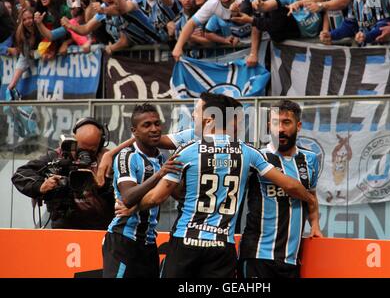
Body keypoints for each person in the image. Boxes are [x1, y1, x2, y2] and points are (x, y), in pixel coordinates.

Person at [136, 92, 318, 278]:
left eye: (198, 113)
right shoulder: (248, 153)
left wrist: (132, 206)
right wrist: (309, 199)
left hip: (186, 241)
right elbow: (291, 185)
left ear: (211, 119)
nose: (193, 117)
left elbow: (155, 198)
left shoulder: (188, 150)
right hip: (222, 246)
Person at [238, 100, 322, 278]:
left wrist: (314, 224)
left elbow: (312, 196)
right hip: (258, 254)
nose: (281, 129)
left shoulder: (310, 159)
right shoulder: (257, 157)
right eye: (276, 123)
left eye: (286, 122)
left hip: (291, 259)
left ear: (298, 126)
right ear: (269, 126)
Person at [103, 103, 182, 278]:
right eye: (147, 125)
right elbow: (128, 197)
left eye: (157, 123)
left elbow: (178, 195)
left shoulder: (162, 158)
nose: (154, 129)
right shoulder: (127, 156)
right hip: (123, 240)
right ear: (134, 131)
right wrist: (160, 174)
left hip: (148, 242)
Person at [11, 118, 115, 230]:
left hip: (101, 227)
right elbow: (20, 174)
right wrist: (41, 186)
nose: (85, 155)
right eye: (81, 149)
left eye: (91, 150)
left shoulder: (109, 158)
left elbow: (125, 192)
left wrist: (103, 186)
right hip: (64, 225)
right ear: (73, 141)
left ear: (100, 144)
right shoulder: (57, 156)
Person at [172, 0, 245, 61]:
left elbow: (257, 22)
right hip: (229, 57)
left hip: (253, 48)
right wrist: (178, 46)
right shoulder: (211, 4)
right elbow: (191, 24)